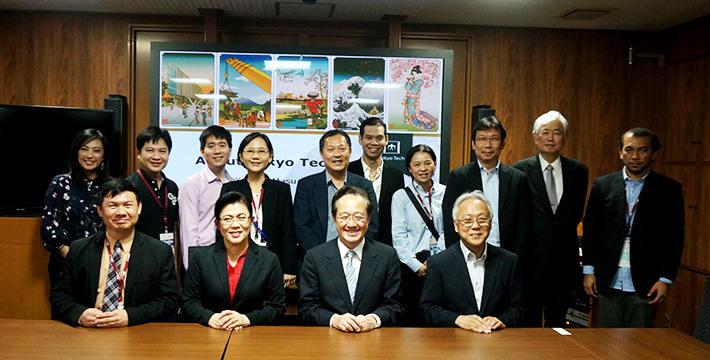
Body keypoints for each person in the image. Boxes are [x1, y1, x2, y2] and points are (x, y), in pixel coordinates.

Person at [582, 127, 684, 328]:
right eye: (629, 149)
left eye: (643, 150)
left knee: (638, 344)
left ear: (654, 153)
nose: (635, 156)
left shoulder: (668, 189)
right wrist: (588, 271)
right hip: (607, 278)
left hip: (646, 282)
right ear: (620, 152)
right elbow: (591, 230)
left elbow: (675, 237)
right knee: (605, 342)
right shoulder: (603, 185)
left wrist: (665, 279)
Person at [50, 179, 180, 327]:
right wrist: (80, 314)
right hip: (89, 331)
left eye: (128, 205)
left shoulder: (159, 252)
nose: (121, 212)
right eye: (112, 206)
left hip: (137, 332)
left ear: (139, 208)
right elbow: (59, 295)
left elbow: (170, 300)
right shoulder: (79, 249)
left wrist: (130, 316)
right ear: (99, 210)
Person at [512, 111, 589, 327]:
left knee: (559, 324)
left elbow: (575, 214)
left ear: (565, 137)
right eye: (545, 132)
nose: (550, 138)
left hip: (564, 262)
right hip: (530, 263)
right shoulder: (519, 171)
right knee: (529, 323)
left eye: (557, 133)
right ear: (535, 136)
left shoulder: (578, 171)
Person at [299, 186, 403, 332]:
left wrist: (373, 319)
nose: (352, 224)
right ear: (334, 218)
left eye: (359, 217)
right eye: (344, 217)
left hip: (374, 341)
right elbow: (306, 307)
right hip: (328, 342)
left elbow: (395, 305)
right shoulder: (315, 257)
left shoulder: (387, 255)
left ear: (368, 219)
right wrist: (334, 319)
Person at [420, 191, 524, 333]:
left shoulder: (508, 261)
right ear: (456, 225)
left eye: (482, 219)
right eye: (467, 220)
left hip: (496, 342)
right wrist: (457, 319)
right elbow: (427, 308)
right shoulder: (439, 263)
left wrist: (503, 320)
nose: (475, 226)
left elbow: (518, 307)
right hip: (454, 344)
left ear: (490, 223)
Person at [181, 191, 286, 330]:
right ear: (217, 224)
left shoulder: (268, 260)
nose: (235, 224)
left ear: (251, 221)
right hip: (209, 333)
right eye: (228, 219)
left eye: (241, 218)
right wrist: (210, 318)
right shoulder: (201, 258)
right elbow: (188, 301)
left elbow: (277, 307)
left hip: (253, 334)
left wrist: (247, 319)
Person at [442, 116, 530, 258]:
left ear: (503, 143)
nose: (488, 145)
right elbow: (450, 221)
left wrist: (517, 259)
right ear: (473, 144)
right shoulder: (459, 177)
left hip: (507, 256)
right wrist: (456, 257)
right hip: (468, 255)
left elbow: (524, 226)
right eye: (482, 139)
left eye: (494, 139)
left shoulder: (518, 179)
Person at [221, 132, 298, 287]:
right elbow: (223, 229)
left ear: (270, 156)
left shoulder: (281, 190)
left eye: (261, 151)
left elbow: (288, 231)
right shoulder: (230, 189)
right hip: (237, 260)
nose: (255, 156)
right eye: (249, 151)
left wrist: (289, 268)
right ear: (241, 157)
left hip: (272, 262)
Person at [41, 129, 111, 289]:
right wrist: (74, 259)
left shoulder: (111, 187)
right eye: (84, 149)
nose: (90, 155)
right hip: (66, 264)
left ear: (104, 155)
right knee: (67, 311)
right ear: (76, 152)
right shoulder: (60, 183)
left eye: (96, 150)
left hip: (105, 266)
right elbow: (50, 228)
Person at [294, 129, 379, 259]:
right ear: (321, 153)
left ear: (350, 152)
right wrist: (320, 256)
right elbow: (302, 226)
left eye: (342, 149)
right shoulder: (306, 185)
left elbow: (371, 224)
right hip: (317, 259)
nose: (337, 154)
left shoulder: (364, 185)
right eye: (330, 150)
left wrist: (352, 253)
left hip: (356, 258)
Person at [391, 145, 446, 326]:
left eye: (427, 163)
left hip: (439, 264)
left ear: (435, 164)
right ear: (409, 168)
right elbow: (399, 235)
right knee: (411, 320)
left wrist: (437, 259)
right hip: (410, 267)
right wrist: (416, 265)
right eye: (417, 164)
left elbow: (449, 229)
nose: (423, 169)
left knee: (436, 316)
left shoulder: (445, 193)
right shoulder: (401, 196)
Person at [179, 125, 234, 269]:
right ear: (202, 151)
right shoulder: (192, 184)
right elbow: (188, 231)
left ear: (230, 150)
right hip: (204, 257)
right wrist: (191, 268)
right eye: (211, 146)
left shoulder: (235, 184)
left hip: (232, 256)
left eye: (222, 145)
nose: (217, 151)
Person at [348, 117, 405, 246]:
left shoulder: (396, 175)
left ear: (386, 140)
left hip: (386, 245)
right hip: (353, 240)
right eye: (369, 138)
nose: (374, 142)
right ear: (360, 139)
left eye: (379, 138)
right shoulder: (349, 171)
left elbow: (397, 216)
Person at [126, 126, 179, 248]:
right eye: (150, 150)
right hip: (139, 255)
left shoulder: (172, 187)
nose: (156, 156)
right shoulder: (129, 187)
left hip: (167, 255)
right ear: (138, 153)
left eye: (162, 151)